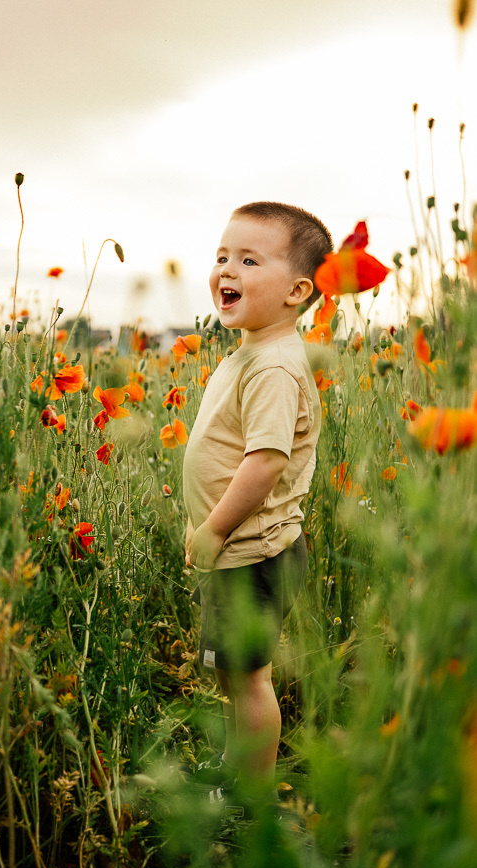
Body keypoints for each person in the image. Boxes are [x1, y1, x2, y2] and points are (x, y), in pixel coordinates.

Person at [182, 201, 333, 809]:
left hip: (253, 553)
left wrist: (214, 530)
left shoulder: (274, 364)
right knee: (231, 672)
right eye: (222, 256)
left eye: (248, 259)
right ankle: (237, 766)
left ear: (298, 290)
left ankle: (253, 800)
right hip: (237, 551)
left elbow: (265, 461)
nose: (227, 269)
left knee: (249, 680)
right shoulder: (252, 349)